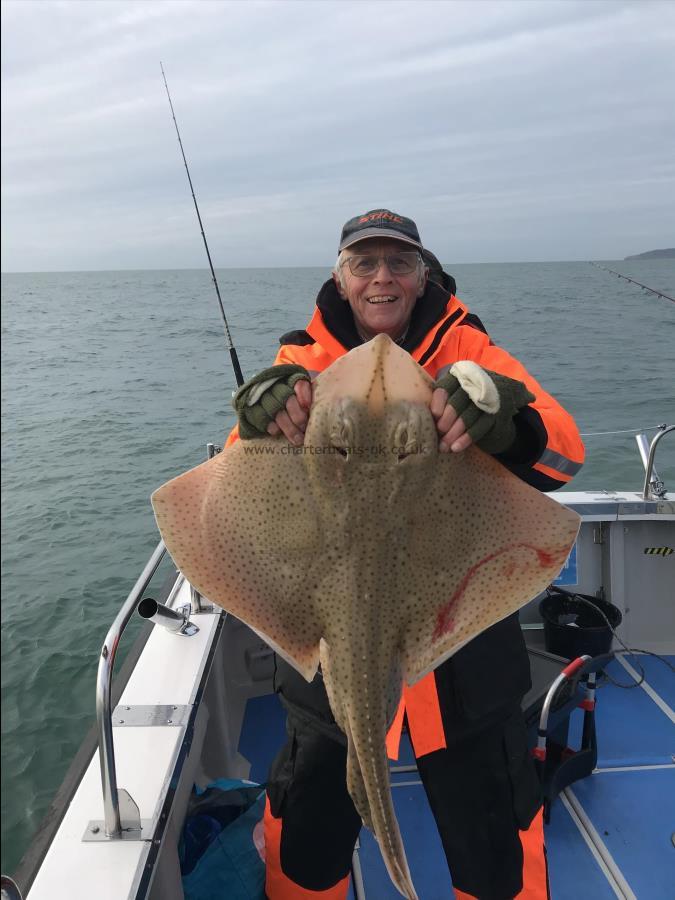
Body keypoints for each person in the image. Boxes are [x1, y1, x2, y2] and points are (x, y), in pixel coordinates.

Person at [229, 209, 585, 899]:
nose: (382, 278)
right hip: (328, 646)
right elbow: (239, 490)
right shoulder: (302, 360)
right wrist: (258, 423)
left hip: (460, 640)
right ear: (340, 277)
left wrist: (507, 422)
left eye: (399, 263)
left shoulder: (470, 351)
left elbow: (564, 453)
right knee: (307, 835)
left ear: (423, 276)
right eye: (365, 263)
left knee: (494, 846)